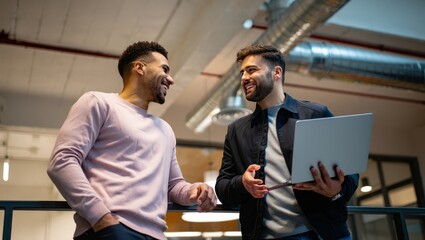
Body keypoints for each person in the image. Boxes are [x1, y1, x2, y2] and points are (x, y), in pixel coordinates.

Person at [47, 41, 217, 240]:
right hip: (110, 229)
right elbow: (62, 162)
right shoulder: (98, 103)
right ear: (140, 67)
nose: (170, 79)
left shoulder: (165, 130)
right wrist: (100, 217)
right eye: (164, 69)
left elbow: (173, 186)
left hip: (157, 235)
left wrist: (194, 190)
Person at [215, 44, 359, 240]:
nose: (244, 78)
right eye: (242, 72)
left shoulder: (315, 114)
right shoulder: (236, 131)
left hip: (324, 234)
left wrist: (337, 190)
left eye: (252, 70)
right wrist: (243, 183)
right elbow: (223, 188)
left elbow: (350, 174)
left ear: (276, 72)